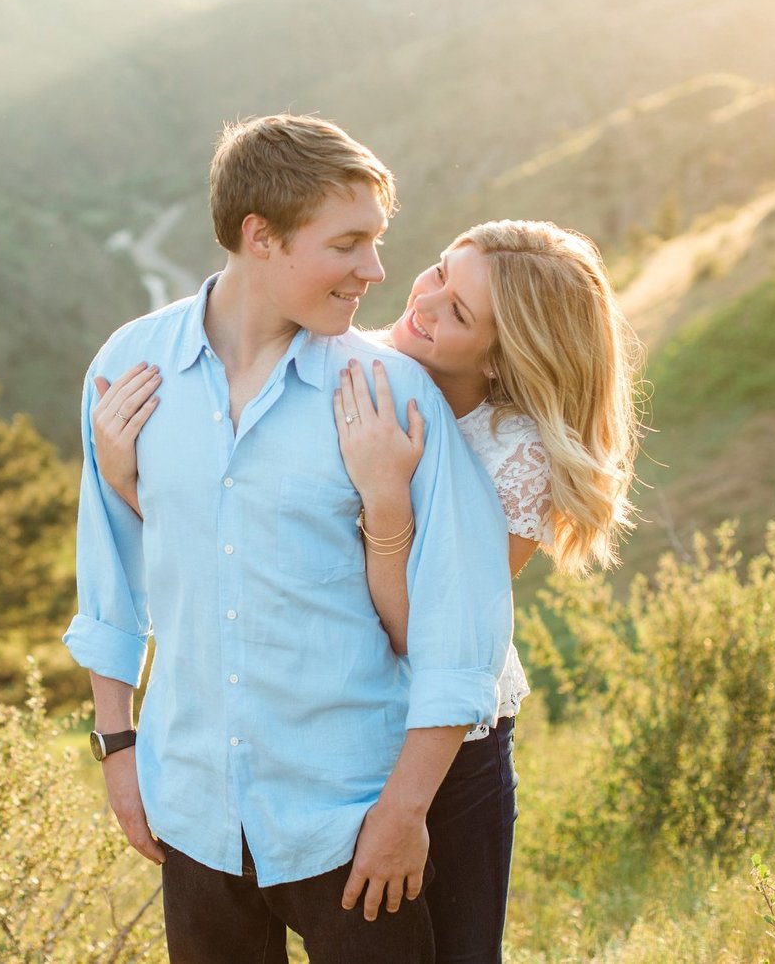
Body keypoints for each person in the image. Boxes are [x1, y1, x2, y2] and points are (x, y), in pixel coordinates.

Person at [96, 219, 645, 961]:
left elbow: (421, 637)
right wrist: (126, 472)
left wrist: (387, 500)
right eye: (441, 273)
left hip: (449, 746)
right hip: (325, 727)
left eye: (459, 313)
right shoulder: (358, 367)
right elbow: (232, 536)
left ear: (506, 355)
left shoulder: (515, 453)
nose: (425, 301)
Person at [66, 114, 514, 963]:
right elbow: (111, 574)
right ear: (259, 236)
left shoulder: (391, 394)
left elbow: (465, 633)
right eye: (348, 243)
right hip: (192, 807)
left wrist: (402, 814)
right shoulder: (129, 370)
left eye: (378, 243)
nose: (375, 272)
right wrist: (119, 749)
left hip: (349, 822)